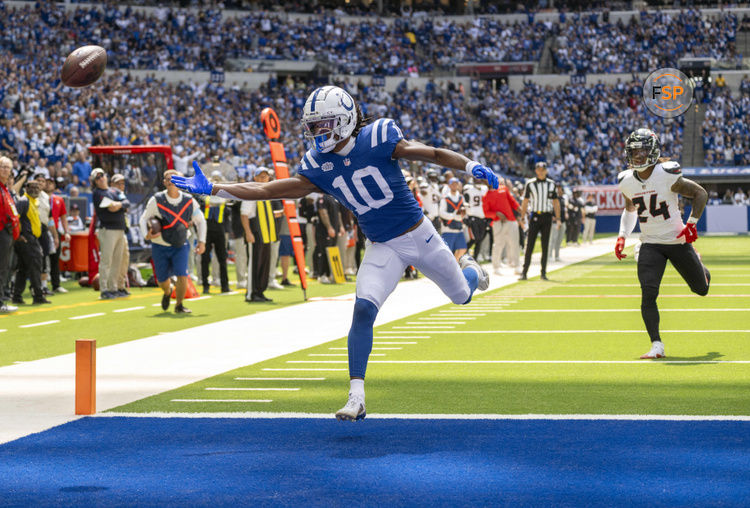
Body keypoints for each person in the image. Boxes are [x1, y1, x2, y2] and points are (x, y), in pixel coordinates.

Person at [171, 85, 497, 421]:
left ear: (343, 121)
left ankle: (471, 269)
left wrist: (470, 165)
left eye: (321, 125)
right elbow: (267, 189)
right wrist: (215, 188)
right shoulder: (317, 163)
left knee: (461, 295)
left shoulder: (379, 137)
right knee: (363, 309)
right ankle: (356, 396)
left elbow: (432, 153)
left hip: (419, 235)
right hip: (382, 246)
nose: (315, 133)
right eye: (311, 126)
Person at [615, 128, 710, 359]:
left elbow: (700, 194)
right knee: (648, 293)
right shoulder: (626, 180)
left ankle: (700, 264)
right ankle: (656, 344)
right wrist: (622, 236)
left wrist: (692, 223)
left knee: (701, 289)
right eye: (634, 151)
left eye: (642, 151)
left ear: (653, 151)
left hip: (677, 241)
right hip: (650, 244)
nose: (637, 156)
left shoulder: (667, 174)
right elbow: (630, 209)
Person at [139, 170, 206, 314]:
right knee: (162, 281)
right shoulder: (156, 200)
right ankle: (167, 291)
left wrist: (202, 241)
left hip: (180, 244)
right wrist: (147, 235)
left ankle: (179, 305)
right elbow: (144, 219)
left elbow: (200, 221)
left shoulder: (189, 200)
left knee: (182, 275)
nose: (171, 181)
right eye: (168, 179)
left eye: (174, 179)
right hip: (160, 245)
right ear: (164, 182)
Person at [91, 168, 130, 299]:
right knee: (107, 260)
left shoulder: (115, 191)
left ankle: (113, 287)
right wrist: (120, 205)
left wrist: (118, 204)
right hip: (107, 229)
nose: (101, 178)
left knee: (117, 261)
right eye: (97, 177)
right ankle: (104, 288)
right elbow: (109, 206)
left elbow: (126, 202)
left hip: (119, 228)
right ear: (95, 181)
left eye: (102, 175)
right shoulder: (97, 193)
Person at [519, 162, 561, 281]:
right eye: (539, 169)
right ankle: (524, 272)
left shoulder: (552, 184)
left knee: (545, 245)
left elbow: (556, 202)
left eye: (543, 169)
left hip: (547, 216)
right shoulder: (530, 184)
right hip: (535, 216)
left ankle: (543, 273)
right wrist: (522, 217)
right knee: (529, 245)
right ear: (536, 171)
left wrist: (558, 218)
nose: (541, 171)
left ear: (546, 171)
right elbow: (525, 201)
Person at [12, 180, 50, 305]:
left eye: (37, 187)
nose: (35, 189)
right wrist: (18, 235)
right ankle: (38, 296)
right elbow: (15, 218)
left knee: (23, 268)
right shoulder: (24, 201)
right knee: (35, 266)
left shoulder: (34, 201)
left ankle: (17, 296)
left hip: (30, 238)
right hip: (27, 239)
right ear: (26, 188)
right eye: (32, 187)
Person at [483, 177, 521, 274]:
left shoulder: (503, 188)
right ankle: (496, 267)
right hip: (498, 222)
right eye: (487, 181)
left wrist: (519, 209)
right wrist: (496, 214)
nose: (488, 182)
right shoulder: (486, 196)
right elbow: (486, 213)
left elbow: (512, 201)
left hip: (511, 219)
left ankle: (517, 266)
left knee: (514, 243)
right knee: (498, 245)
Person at [0, 156, 20, 312]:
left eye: (8, 167)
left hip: (7, 233)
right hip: (1, 231)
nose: (5, 169)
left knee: (4, 268)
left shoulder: (6, 189)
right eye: (2, 166)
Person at [440, 177, 468, 260]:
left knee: (463, 249)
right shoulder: (445, 198)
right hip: (448, 228)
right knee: (448, 251)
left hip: (459, 227)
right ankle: (446, 269)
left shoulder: (461, 197)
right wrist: (453, 216)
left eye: (456, 184)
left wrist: (463, 214)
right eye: (453, 184)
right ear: (449, 186)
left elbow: (464, 210)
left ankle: (454, 265)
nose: (455, 186)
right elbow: (441, 213)